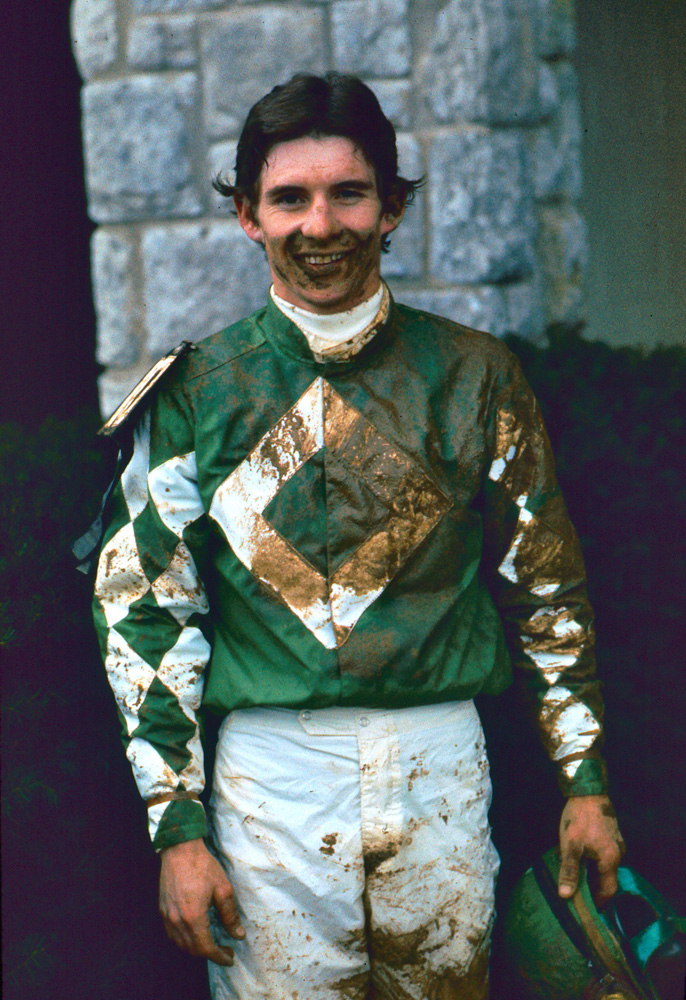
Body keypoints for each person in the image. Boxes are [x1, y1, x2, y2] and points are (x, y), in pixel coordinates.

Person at [93, 73, 625, 999]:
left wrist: (587, 782)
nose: (321, 224)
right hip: (267, 780)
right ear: (249, 218)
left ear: (392, 208)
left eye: (348, 192)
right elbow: (145, 615)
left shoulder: (477, 377)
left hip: (442, 767)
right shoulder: (194, 393)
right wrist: (177, 833)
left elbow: (546, 593)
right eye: (288, 198)